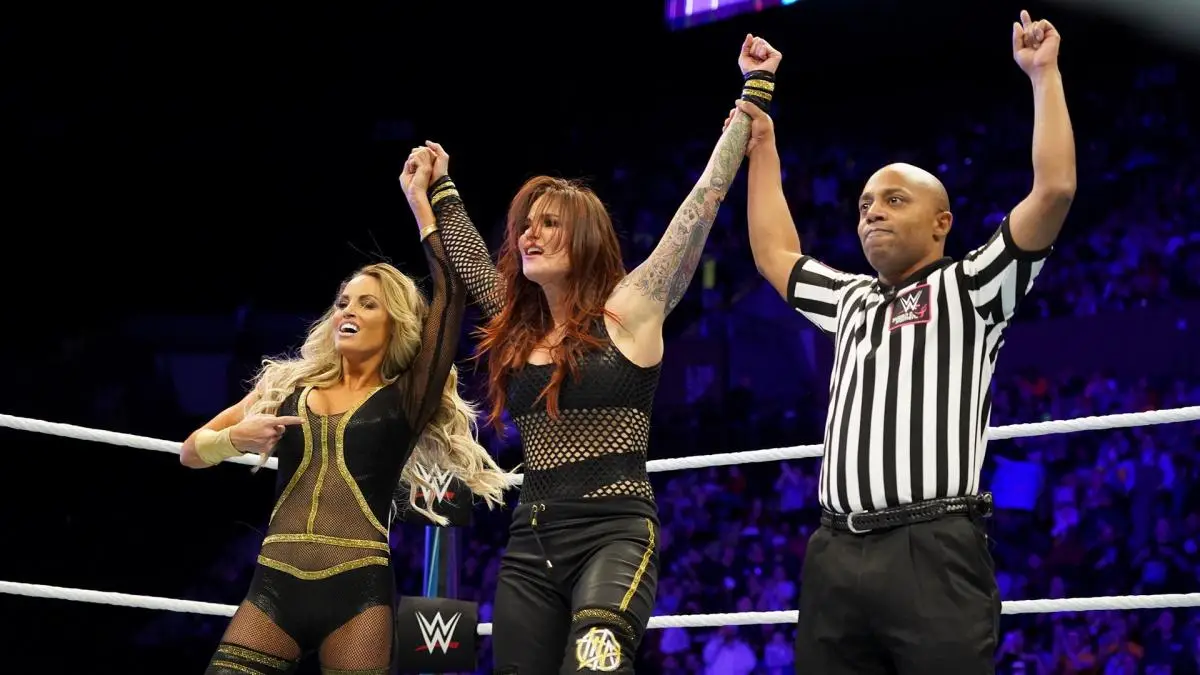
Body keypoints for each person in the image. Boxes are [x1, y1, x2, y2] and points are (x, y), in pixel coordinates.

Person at [417, 33, 782, 675]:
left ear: (584, 237)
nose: (529, 235)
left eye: (549, 223)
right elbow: (470, 260)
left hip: (615, 535)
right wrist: (437, 188)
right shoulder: (521, 325)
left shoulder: (632, 307)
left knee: (596, 666)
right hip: (530, 544)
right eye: (526, 225)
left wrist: (756, 86)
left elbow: (701, 206)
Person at [733, 10, 1075, 674]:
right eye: (864, 204)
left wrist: (1043, 74)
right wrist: (764, 142)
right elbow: (775, 253)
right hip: (835, 551)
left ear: (941, 223)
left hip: (933, 546)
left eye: (893, 201)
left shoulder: (973, 286)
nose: (872, 213)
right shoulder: (851, 299)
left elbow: (1054, 190)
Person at [179, 148, 510, 675]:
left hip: (359, 594)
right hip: (273, 586)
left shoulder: (408, 397)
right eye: (342, 302)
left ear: (395, 323)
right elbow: (190, 453)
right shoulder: (286, 384)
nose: (347, 311)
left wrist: (419, 202)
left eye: (366, 303)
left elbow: (450, 293)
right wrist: (233, 440)